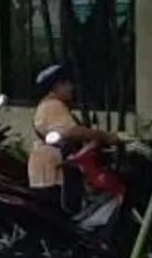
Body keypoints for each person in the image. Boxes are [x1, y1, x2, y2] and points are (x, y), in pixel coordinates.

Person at [26, 64, 114, 194]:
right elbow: (71, 132)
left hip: (46, 169)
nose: (71, 88)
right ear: (55, 86)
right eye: (66, 83)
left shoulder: (48, 105)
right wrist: (103, 136)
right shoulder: (53, 105)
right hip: (52, 170)